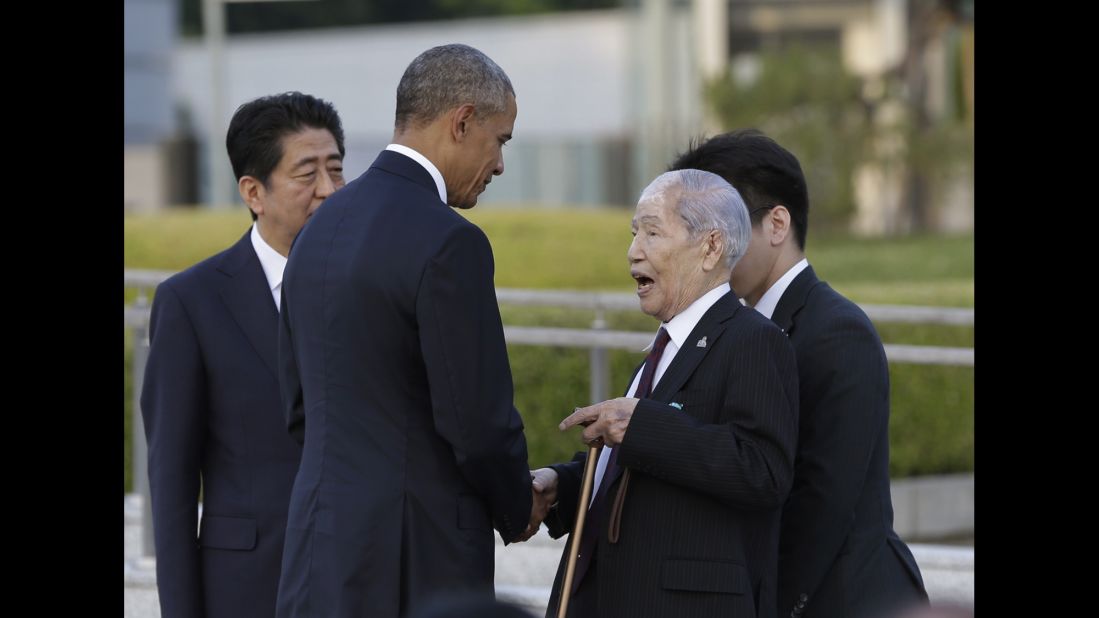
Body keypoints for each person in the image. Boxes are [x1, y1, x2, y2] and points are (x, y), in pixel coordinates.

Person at [275, 44, 535, 618]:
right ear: (462, 122)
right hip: (418, 562)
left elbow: (299, 408)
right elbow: (477, 425)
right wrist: (521, 506)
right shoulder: (451, 241)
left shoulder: (316, 231)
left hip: (318, 555)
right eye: (501, 140)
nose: (499, 165)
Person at [669, 129, 929, 618]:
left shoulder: (835, 330)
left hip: (844, 599)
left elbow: (824, 501)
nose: (708, 247)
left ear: (776, 224)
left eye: (721, 227)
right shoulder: (729, 329)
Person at [531, 169, 800, 618]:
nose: (633, 252)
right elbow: (638, 472)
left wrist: (641, 423)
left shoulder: (753, 339)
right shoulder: (665, 346)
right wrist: (563, 484)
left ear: (711, 247)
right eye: (635, 233)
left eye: (652, 233)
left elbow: (764, 470)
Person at [140, 91, 347, 618]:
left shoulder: (370, 287)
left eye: (337, 170)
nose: (328, 190)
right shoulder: (192, 302)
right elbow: (173, 483)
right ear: (254, 191)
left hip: (358, 581)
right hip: (248, 587)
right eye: (307, 174)